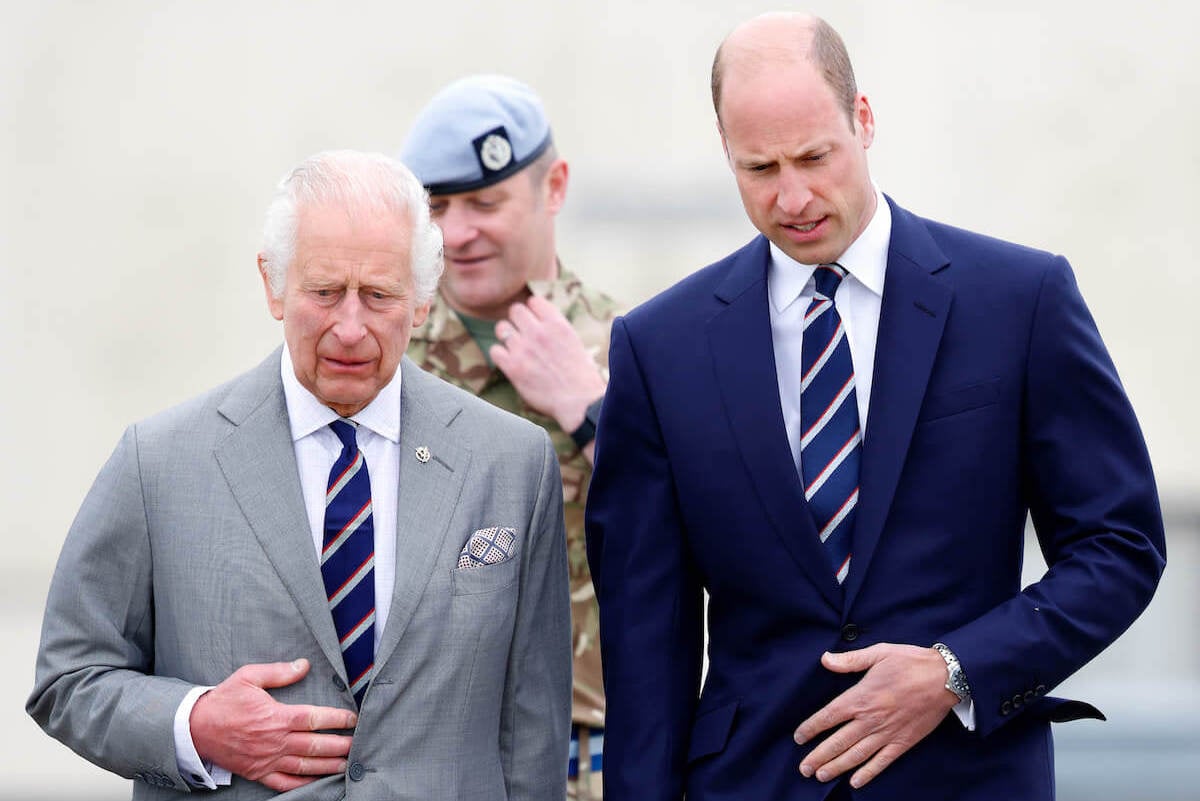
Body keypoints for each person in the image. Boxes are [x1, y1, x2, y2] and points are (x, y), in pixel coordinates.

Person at [585, 12, 1166, 801]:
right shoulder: (660, 348)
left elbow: (1120, 545)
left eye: (815, 157)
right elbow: (645, 641)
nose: (793, 196)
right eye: (760, 168)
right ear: (727, 155)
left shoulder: (1020, 300)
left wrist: (955, 670)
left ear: (863, 119)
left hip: (967, 779)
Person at [27, 150, 571, 800]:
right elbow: (68, 677)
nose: (349, 326)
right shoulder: (160, 461)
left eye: (378, 295)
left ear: (423, 301)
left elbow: (533, 730)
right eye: (323, 292)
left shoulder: (510, 462)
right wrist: (197, 723)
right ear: (273, 285)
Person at [400, 74, 619, 800]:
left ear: (552, 187)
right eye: (435, 207)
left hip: (587, 761)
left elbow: (716, 535)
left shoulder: (640, 353)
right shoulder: (378, 361)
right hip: (418, 761)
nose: (457, 234)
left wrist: (592, 412)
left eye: (485, 202)